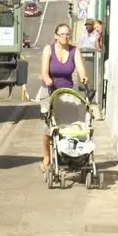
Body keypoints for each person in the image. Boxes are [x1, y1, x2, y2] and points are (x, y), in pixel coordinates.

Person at [40, 23, 88, 171]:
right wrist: (47, 79)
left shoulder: (75, 51)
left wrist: (84, 77)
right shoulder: (48, 49)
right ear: (56, 36)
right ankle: (47, 157)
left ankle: (69, 155)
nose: (65, 37)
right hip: (49, 90)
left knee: (69, 123)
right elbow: (44, 71)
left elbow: (80, 68)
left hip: (67, 91)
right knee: (48, 127)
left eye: (68, 34)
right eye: (62, 34)